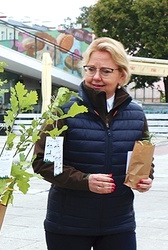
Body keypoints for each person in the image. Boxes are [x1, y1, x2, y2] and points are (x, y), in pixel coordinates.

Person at [32, 37, 154, 250]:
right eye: (90, 69)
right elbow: (43, 163)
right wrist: (85, 181)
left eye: (106, 71)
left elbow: (143, 159)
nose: (96, 77)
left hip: (119, 224)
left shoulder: (136, 114)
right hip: (68, 225)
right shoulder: (63, 110)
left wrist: (145, 177)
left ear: (121, 75)